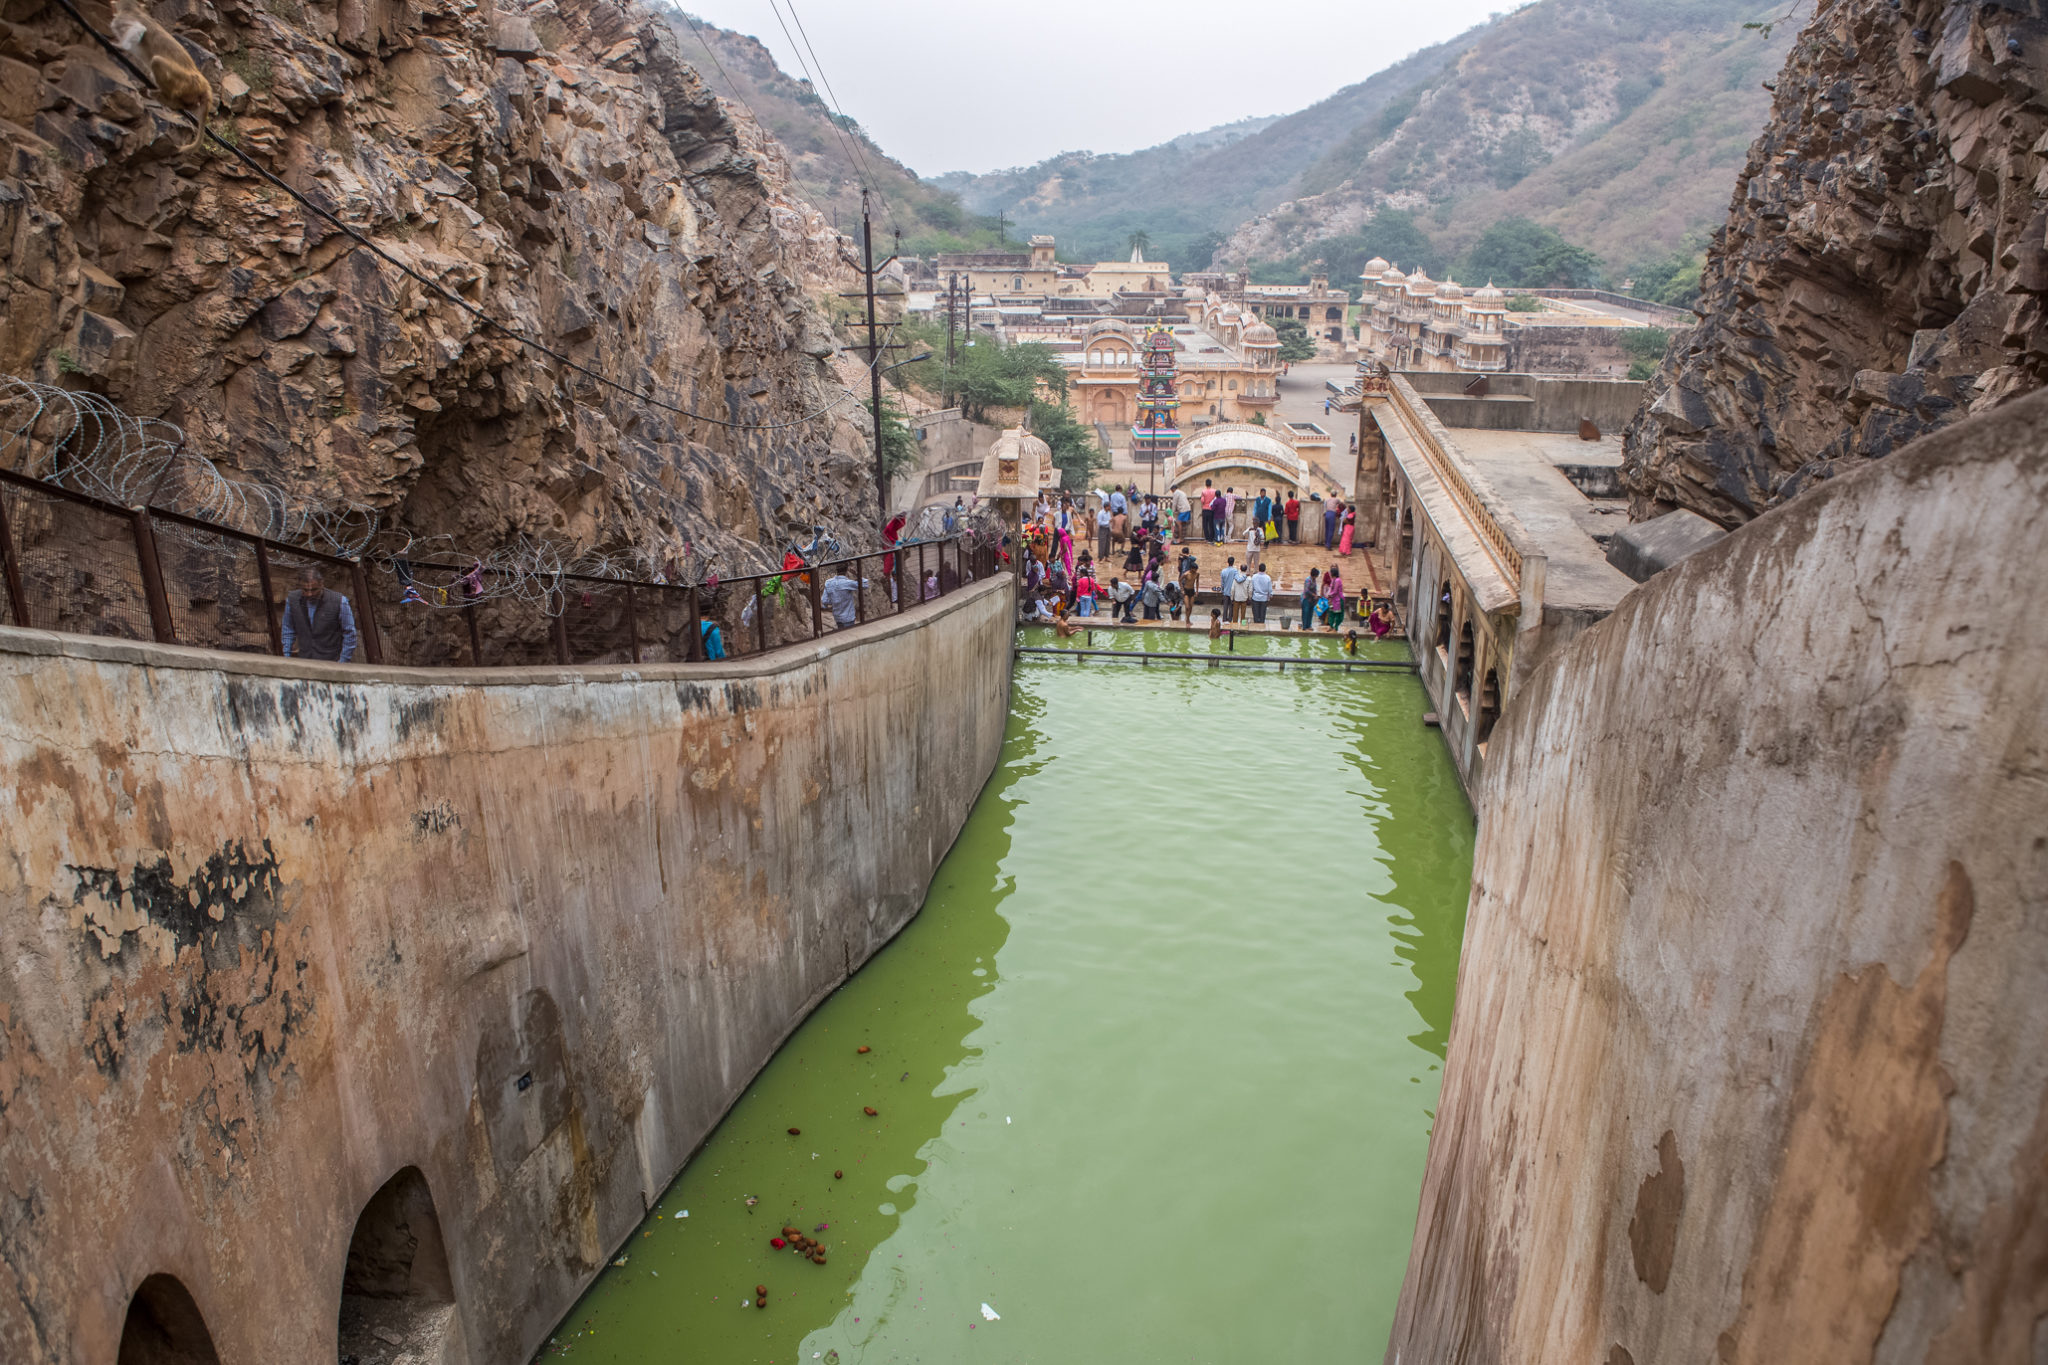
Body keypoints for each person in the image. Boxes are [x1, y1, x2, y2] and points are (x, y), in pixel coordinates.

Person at [281, 566, 359, 662]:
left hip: (331, 660)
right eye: (305, 590)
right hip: (305, 658)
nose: (309, 594)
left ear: (322, 584)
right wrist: (286, 656)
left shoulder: (339, 601)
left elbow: (350, 633)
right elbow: (288, 629)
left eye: (314, 590)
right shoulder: (292, 599)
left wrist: (342, 662)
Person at [1218, 556, 1241, 622]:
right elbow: (1238, 579)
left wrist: (1222, 590)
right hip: (1232, 592)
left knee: (1225, 607)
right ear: (1233, 562)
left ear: (1228, 562)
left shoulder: (1223, 571)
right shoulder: (1235, 571)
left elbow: (1222, 583)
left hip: (1225, 591)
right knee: (1231, 607)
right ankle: (1230, 619)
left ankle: (1224, 619)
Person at [1300, 566, 1321, 631]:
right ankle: (1304, 626)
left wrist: (1316, 595)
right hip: (1306, 599)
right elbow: (1306, 590)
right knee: (1305, 612)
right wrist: (1313, 595)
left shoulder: (1314, 580)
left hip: (1312, 600)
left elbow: (1315, 589)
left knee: (1310, 612)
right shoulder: (1308, 580)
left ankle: (1309, 625)